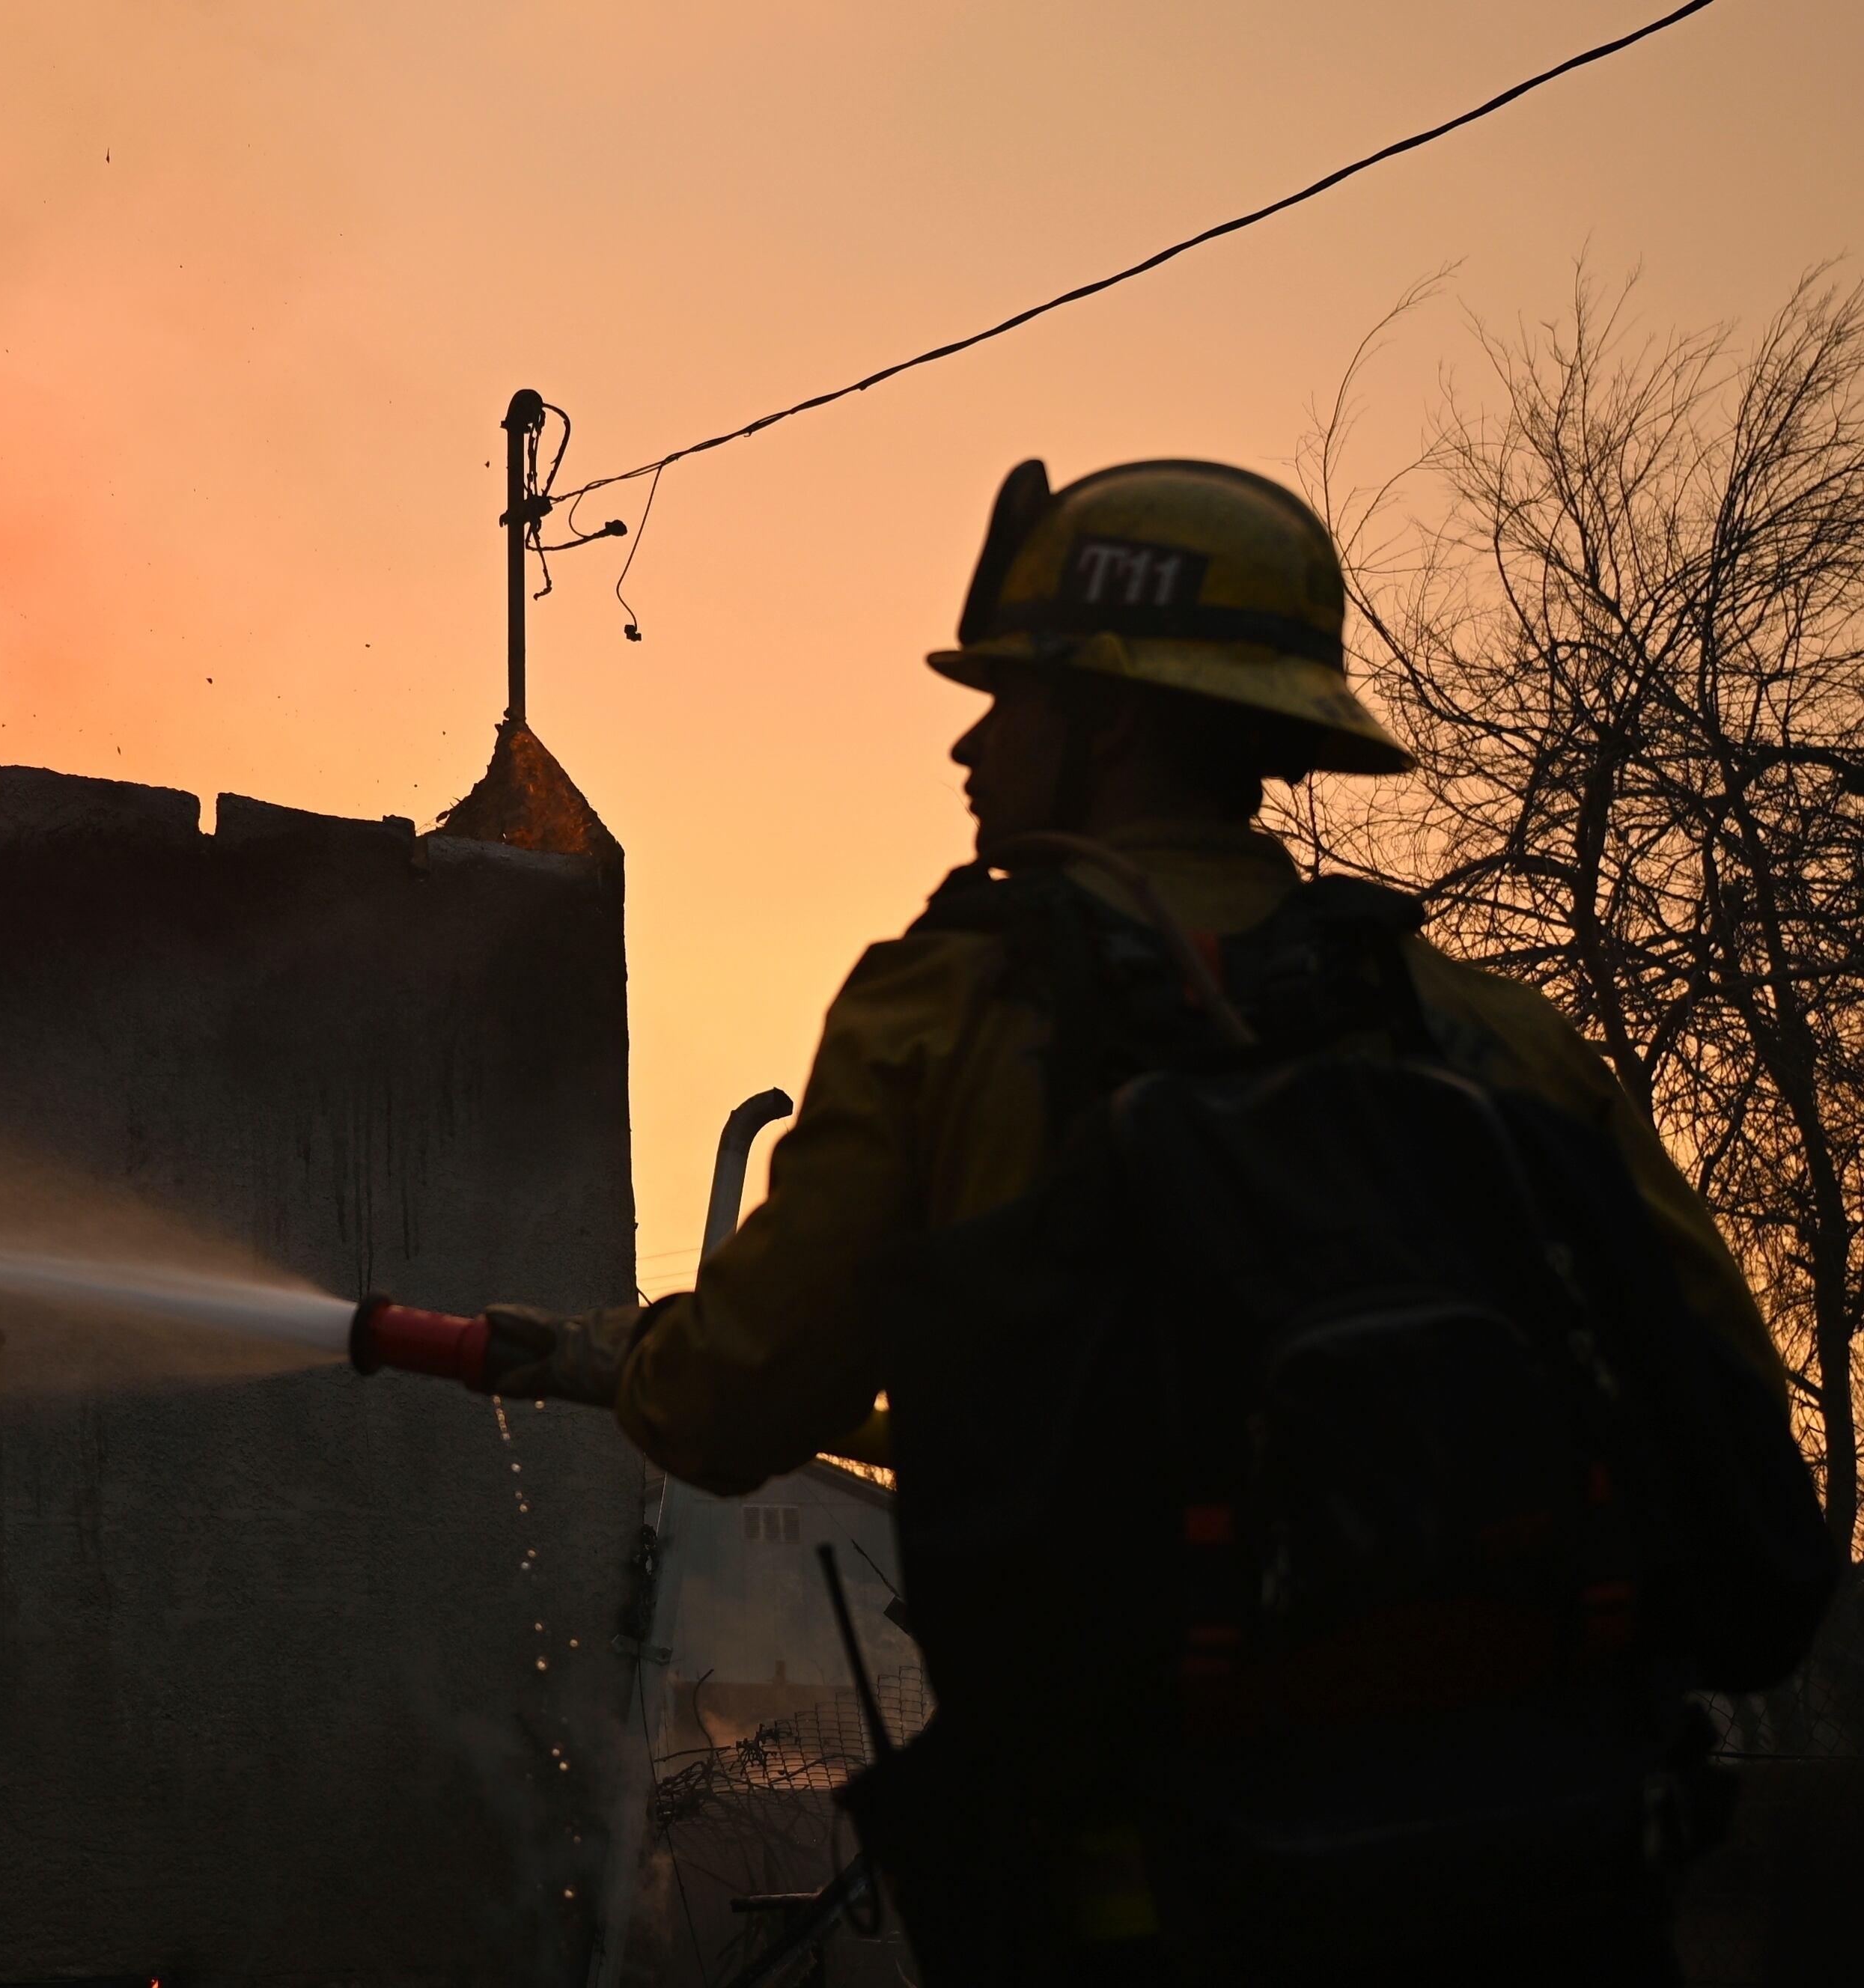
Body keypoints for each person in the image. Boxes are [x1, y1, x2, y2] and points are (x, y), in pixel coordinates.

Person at [442, 458, 1807, 1984]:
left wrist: (623, 1358)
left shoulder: (949, 1011)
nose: (970, 738)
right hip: (1549, 1885)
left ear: (1115, 719)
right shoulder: (1498, 1043)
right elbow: (1747, 1487)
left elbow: (730, 1399)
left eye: (1009, 694)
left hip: (1147, 1900)